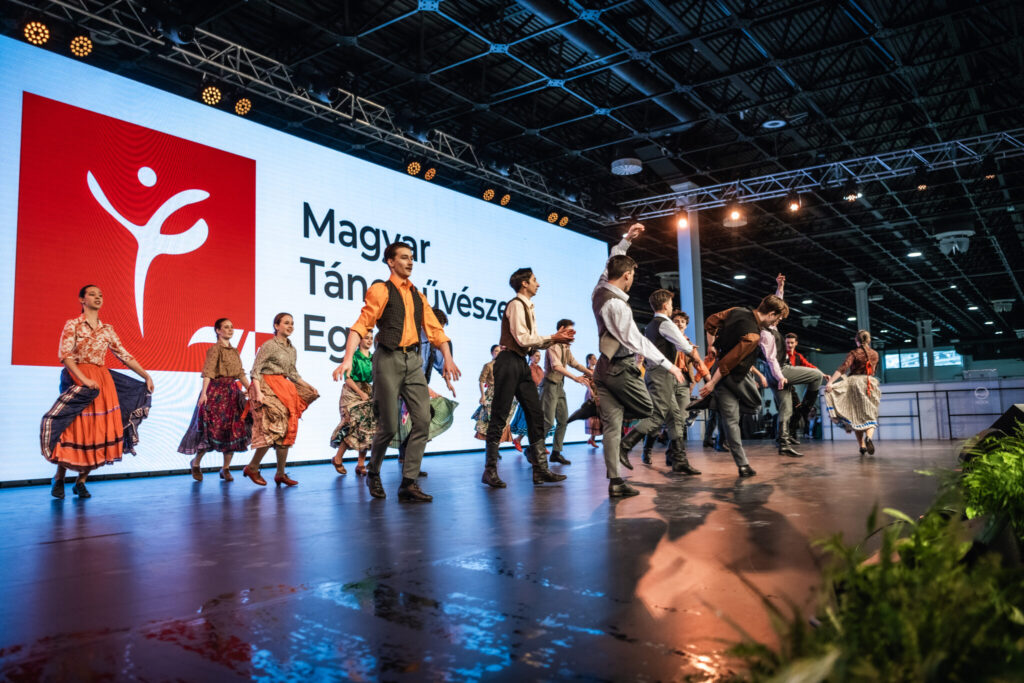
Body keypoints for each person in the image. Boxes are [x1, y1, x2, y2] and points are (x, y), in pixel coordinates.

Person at [333, 242, 459, 503]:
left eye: (412, 258)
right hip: (388, 358)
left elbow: (436, 331)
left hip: (413, 361)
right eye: (404, 257)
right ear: (391, 262)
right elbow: (361, 325)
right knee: (389, 426)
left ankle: (408, 482)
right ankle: (373, 471)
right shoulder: (381, 289)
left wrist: (448, 358)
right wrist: (347, 359)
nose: (410, 262)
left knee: (423, 420)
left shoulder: (418, 296)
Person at [591, 223, 686, 498]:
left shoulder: (600, 289)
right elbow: (637, 341)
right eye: (632, 275)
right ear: (627, 276)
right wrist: (670, 365)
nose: (633, 279)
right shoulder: (616, 305)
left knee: (612, 428)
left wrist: (626, 241)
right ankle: (626, 439)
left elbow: (612, 261)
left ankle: (616, 482)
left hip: (603, 368)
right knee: (649, 408)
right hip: (619, 368)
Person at [41, 285, 154, 499]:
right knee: (72, 429)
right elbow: (66, 356)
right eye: (92, 294)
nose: (98, 297)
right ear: (82, 299)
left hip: (102, 381)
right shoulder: (73, 324)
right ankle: (59, 477)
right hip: (77, 377)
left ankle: (81, 481)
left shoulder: (107, 329)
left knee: (98, 432)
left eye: (100, 295)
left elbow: (124, 354)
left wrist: (146, 375)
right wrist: (83, 379)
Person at [482, 268, 575, 489]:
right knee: (500, 415)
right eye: (534, 280)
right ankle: (490, 470)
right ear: (524, 283)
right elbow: (523, 339)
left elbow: (530, 343)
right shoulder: (516, 305)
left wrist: (555, 339)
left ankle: (540, 468)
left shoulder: (529, 307)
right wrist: (553, 337)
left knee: (536, 414)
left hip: (520, 363)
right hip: (508, 362)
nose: (538, 284)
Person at [701, 295, 790, 478]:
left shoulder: (737, 310)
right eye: (777, 319)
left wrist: (711, 346)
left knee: (731, 420)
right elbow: (729, 361)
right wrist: (712, 383)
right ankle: (742, 464)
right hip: (732, 377)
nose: (776, 323)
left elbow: (710, 322)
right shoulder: (752, 336)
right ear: (771, 314)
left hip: (721, 372)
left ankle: (743, 465)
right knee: (754, 405)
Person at [618, 290, 702, 475]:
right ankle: (624, 446)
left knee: (675, 418)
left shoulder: (651, 325)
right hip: (660, 374)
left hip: (660, 373)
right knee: (657, 417)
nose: (672, 307)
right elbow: (684, 346)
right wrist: (695, 356)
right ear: (665, 305)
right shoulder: (665, 323)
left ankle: (679, 460)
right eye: (670, 304)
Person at [244, 313, 319, 487]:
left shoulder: (292, 349)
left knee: (286, 429)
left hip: (283, 388)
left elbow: (292, 373)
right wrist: (258, 392)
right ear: (276, 326)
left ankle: (280, 473)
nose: (290, 326)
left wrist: (308, 386)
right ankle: (253, 467)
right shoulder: (269, 345)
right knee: (273, 429)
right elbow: (256, 370)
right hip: (266, 387)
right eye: (286, 323)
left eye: (292, 323)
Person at [758, 274, 824, 458]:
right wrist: (781, 377)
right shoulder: (766, 333)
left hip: (774, 373)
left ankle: (783, 443)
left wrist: (780, 287)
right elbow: (771, 359)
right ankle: (804, 409)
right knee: (817, 376)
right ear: (771, 315)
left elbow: (777, 304)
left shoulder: (770, 327)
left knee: (786, 408)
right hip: (779, 370)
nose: (780, 319)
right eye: (778, 317)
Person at [178, 318, 251, 481]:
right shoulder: (214, 350)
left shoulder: (234, 351)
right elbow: (208, 372)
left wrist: (251, 388)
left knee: (233, 431)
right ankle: (196, 463)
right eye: (226, 327)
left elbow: (240, 373)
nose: (230, 330)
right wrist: (204, 393)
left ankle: (225, 468)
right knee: (210, 431)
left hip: (232, 392)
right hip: (216, 393)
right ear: (218, 330)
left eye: (232, 327)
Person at [394, 306, 459, 477]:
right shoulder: (412, 338)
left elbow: (440, 364)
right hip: (405, 384)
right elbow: (408, 369)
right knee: (404, 424)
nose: (440, 334)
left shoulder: (431, 344)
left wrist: (448, 381)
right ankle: (403, 461)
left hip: (419, 386)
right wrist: (426, 389)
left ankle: (410, 464)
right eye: (438, 329)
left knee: (419, 423)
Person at [643, 310, 709, 465]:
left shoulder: (688, 343)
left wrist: (707, 380)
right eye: (677, 321)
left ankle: (671, 453)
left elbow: (698, 362)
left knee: (682, 418)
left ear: (686, 326)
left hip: (683, 382)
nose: (679, 324)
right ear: (671, 323)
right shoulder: (665, 339)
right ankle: (647, 448)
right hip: (665, 378)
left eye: (683, 322)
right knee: (658, 418)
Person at [540, 319, 592, 465]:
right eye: (569, 331)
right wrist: (575, 378)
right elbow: (556, 366)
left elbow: (574, 363)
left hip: (559, 386)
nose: (572, 334)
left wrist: (591, 373)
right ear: (561, 329)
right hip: (549, 386)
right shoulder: (553, 345)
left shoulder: (565, 346)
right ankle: (533, 449)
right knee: (547, 422)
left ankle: (556, 452)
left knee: (563, 420)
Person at [825, 330, 881, 455]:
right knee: (870, 415)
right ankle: (869, 438)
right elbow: (874, 371)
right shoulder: (875, 354)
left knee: (856, 416)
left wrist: (831, 382)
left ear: (856, 340)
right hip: (870, 383)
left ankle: (862, 446)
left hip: (855, 384)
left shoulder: (854, 353)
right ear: (869, 340)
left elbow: (843, 368)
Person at [329, 333, 376, 477]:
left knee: (368, 427)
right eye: (366, 337)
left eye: (371, 338)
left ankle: (361, 464)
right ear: (359, 340)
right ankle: (338, 458)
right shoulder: (353, 356)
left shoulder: (373, 358)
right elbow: (347, 378)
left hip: (368, 390)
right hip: (352, 392)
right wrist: (360, 393)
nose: (369, 340)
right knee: (351, 424)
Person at [509, 350, 547, 453]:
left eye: (540, 356)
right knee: (528, 421)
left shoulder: (540, 369)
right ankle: (518, 440)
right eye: (536, 356)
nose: (539, 358)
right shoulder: (528, 368)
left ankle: (540, 445)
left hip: (540, 396)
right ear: (530, 357)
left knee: (542, 421)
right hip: (529, 397)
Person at [583, 353, 602, 447]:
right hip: (591, 394)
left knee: (599, 416)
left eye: (595, 358)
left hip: (598, 394)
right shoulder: (586, 371)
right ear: (589, 360)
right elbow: (586, 382)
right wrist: (591, 391)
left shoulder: (597, 370)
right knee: (594, 416)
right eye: (593, 358)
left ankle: (592, 439)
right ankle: (592, 439)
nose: (595, 360)